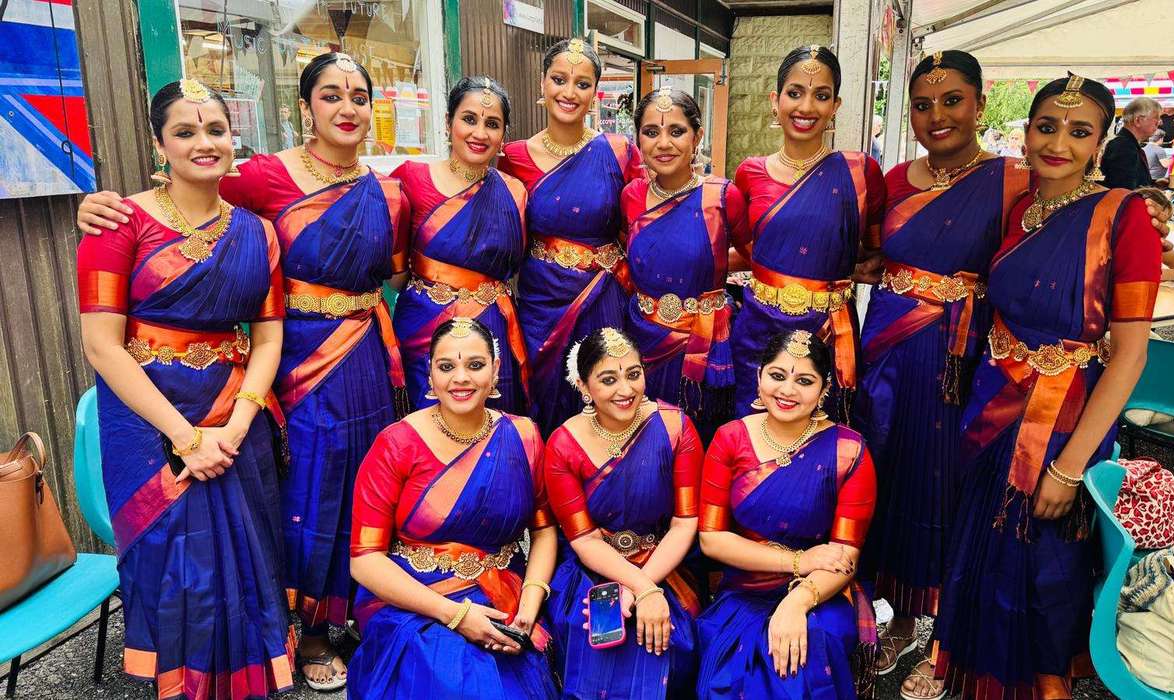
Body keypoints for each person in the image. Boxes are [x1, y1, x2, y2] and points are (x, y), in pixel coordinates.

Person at [76, 52, 412, 688]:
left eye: (359, 96)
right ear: (304, 108)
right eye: (330, 95)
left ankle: (350, 616)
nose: (346, 108)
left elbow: (396, 273)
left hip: (341, 359)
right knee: (303, 493)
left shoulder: (384, 192)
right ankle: (286, 639)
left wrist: (240, 417)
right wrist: (94, 207)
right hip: (280, 372)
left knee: (359, 488)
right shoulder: (258, 179)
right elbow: (106, 338)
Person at [933, 75, 1160, 699]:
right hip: (992, 397)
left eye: (1079, 131)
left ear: (1101, 142)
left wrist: (1069, 466)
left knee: (1041, 561)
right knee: (979, 540)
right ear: (1027, 131)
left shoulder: (1124, 217)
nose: (1058, 143)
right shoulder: (1021, 208)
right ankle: (971, 673)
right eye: (1046, 127)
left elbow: (1131, 355)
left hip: (1064, 419)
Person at [77, 79, 294, 698]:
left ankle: (247, 681)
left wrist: (237, 424)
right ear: (159, 144)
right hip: (147, 422)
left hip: (235, 417)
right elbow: (102, 346)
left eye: (216, 130)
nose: (205, 142)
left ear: (233, 139)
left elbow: (268, 338)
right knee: (177, 564)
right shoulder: (118, 224)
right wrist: (185, 438)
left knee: (249, 554)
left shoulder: (257, 232)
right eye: (185, 131)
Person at [853, 50, 1030, 700]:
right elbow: (870, 251)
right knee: (887, 471)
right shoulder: (895, 179)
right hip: (888, 348)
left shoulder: (1013, 181)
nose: (937, 115)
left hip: (962, 357)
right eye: (922, 104)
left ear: (980, 103)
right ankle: (898, 616)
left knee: (949, 484)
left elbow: (1058, 233)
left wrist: (1137, 210)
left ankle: (944, 633)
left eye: (952, 100)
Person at [347, 317, 559, 698]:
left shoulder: (524, 436)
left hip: (504, 596)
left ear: (495, 370)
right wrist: (457, 615)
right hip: (416, 600)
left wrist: (529, 605)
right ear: (429, 374)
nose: (461, 378)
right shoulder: (396, 445)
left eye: (475, 365)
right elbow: (364, 560)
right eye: (446, 366)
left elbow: (543, 530)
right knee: (447, 675)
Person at [696, 330, 877, 699]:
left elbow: (846, 557)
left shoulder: (848, 451)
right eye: (777, 376)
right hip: (744, 589)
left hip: (820, 590)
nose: (788, 390)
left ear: (825, 390)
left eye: (805, 381)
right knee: (734, 675)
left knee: (807, 653)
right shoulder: (730, 439)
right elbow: (711, 540)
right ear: (759, 377)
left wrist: (798, 602)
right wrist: (798, 560)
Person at [543, 326, 704, 698]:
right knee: (593, 635)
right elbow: (584, 539)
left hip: (664, 561)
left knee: (669, 639)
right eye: (608, 379)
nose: (625, 389)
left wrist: (644, 587)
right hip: (592, 569)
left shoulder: (675, 427)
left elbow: (684, 524)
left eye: (634, 374)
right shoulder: (564, 444)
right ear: (583, 386)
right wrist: (643, 590)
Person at [730, 45, 885, 422]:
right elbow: (754, 251)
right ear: (775, 100)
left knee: (821, 437)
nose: (806, 107)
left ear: (836, 106)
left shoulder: (860, 173)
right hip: (758, 328)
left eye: (822, 95)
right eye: (795, 92)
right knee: (753, 433)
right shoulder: (749, 173)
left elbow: (876, 253)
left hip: (828, 330)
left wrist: (838, 269)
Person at [499, 38, 645, 437]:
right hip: (540, 302)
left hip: (602, 296)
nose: (569, 92)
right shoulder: (513, 157)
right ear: (542, 83)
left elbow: (642, 225)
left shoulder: (618, 152)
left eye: (582, 84)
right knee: (542, 398)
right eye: (559, 79)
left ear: (595, 93)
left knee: (605, 395)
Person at [390, 77, 531, 415]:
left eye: (492, 124)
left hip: (492, 328)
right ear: (448, 122)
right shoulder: (411, 179)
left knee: (491, 425)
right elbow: (395, 275)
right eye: (469, 119)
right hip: (425, 328)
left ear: (503, 136)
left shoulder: (515, 192)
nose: (479, 133)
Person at [620, 87, 749, 437]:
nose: (663, 143)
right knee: (644, 435)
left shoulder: (722, 196)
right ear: (638, 140)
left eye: (676, 131)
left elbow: (753, 255)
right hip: (641, 337)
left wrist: (711, 269)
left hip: (702, 340)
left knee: (696, 434)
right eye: (651, 132)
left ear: (697, 136)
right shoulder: (631, 196)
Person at [1101, 96, 1160, 190]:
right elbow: (1124, 190)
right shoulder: (1123, 147)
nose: (1157, 127)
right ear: (1138, 121)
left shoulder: (1126, 144)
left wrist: (1154, 184)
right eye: (1156, 122)